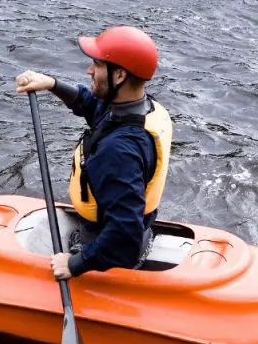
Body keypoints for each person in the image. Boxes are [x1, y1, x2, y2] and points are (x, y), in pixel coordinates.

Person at [15, 25, 173, 281]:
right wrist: (52, 85)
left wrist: (75, 263)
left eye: (97, 65)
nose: (89, 70)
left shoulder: (118, 151)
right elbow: (92, 105)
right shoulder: (145, 108)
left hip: (109, 250)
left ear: (119, 75)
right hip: (141, 231)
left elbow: (124, 236)